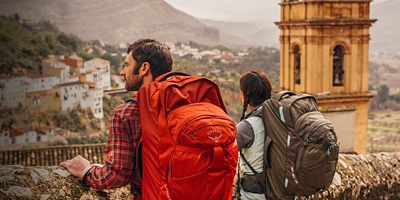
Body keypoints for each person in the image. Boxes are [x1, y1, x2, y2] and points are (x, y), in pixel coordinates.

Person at [60, 38, 174, 199]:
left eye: (126, 65)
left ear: (144, 68)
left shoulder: (126, 113)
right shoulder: (190, 103)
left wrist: (84, 170)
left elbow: (116, 177)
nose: (122, 72)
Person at [236, 71, 272, 200]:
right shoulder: (282, 119)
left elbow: (226, 157)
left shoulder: (247, 127)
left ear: (244, 95)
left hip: (255, 195)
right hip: (282, 191)